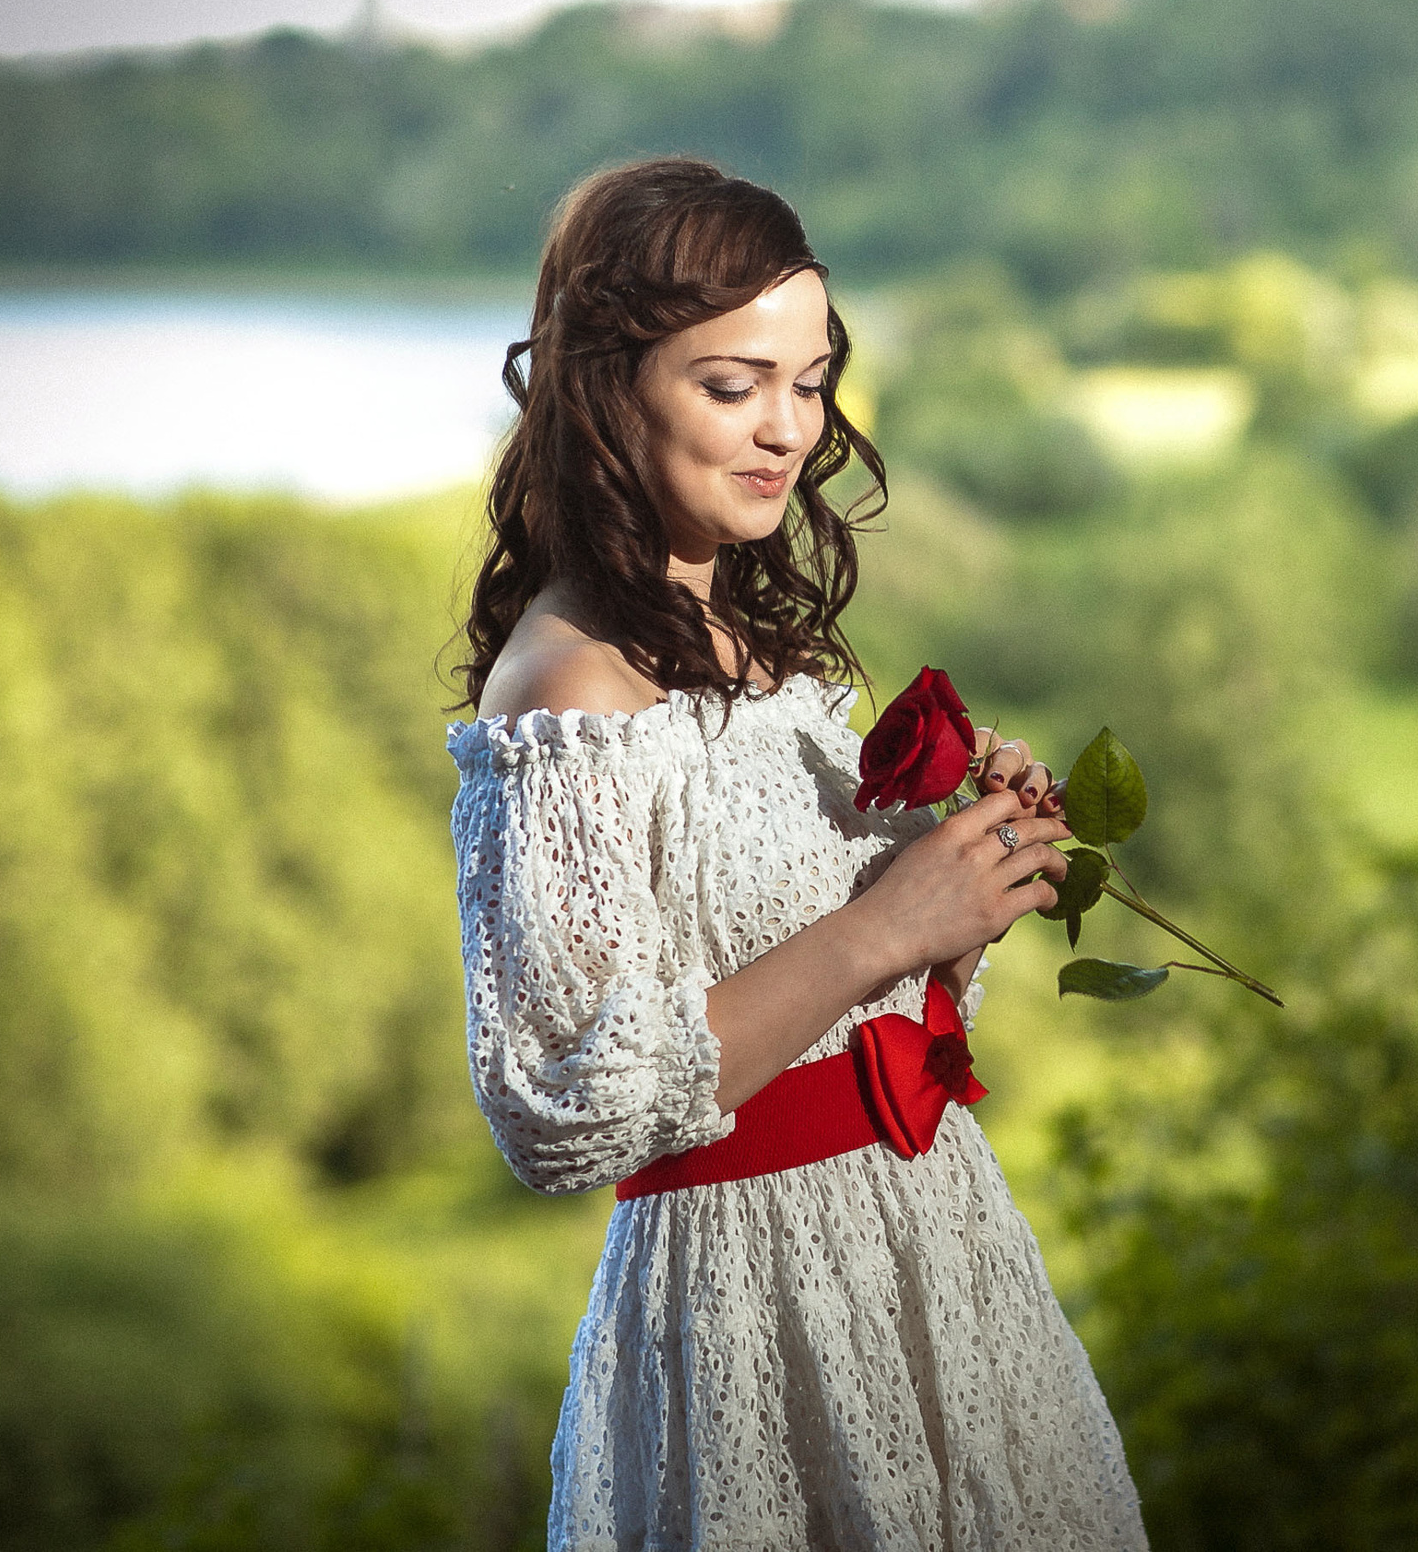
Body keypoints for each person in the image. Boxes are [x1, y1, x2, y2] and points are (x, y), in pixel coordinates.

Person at [446, 157, 1147, 1550]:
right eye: (733, 384)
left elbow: (840, 1016)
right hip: (751, 1312)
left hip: (935, 1255)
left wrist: (961, 892)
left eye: (812, 382)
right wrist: (883, 926)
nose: (788, 430)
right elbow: (560, 1109)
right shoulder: (568, 694)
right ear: (606, 383)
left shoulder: (762, 652)